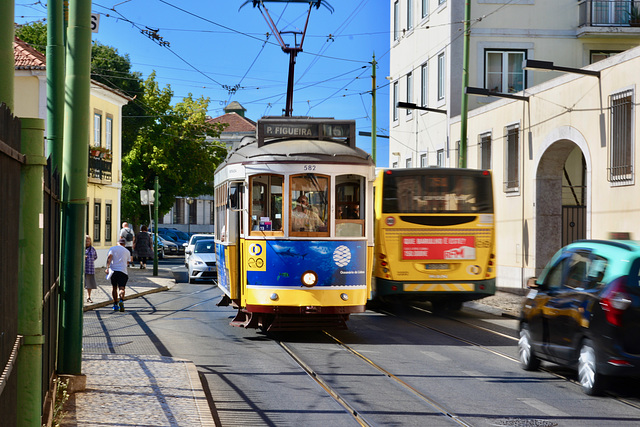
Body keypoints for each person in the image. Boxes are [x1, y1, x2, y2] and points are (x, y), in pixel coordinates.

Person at [105, 237, 131, 312]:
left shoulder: (112, 248)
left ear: (118, 243)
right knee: (122, 288)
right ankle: (121, 301)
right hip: (123, 272)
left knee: (114, 287)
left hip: (113, 271)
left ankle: (115, 304)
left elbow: (109, 257)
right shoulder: (127, 251)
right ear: (124, 244)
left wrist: (107, 267)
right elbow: (128, 262)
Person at [84, 235, 98, 303]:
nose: (87, 242)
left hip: (90, 269)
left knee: (89, 284)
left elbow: (95, 257)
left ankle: (88, 297)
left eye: (88, 240)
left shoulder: (92, 249)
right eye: (86, 240)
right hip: (82, 270)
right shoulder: (81, 248)